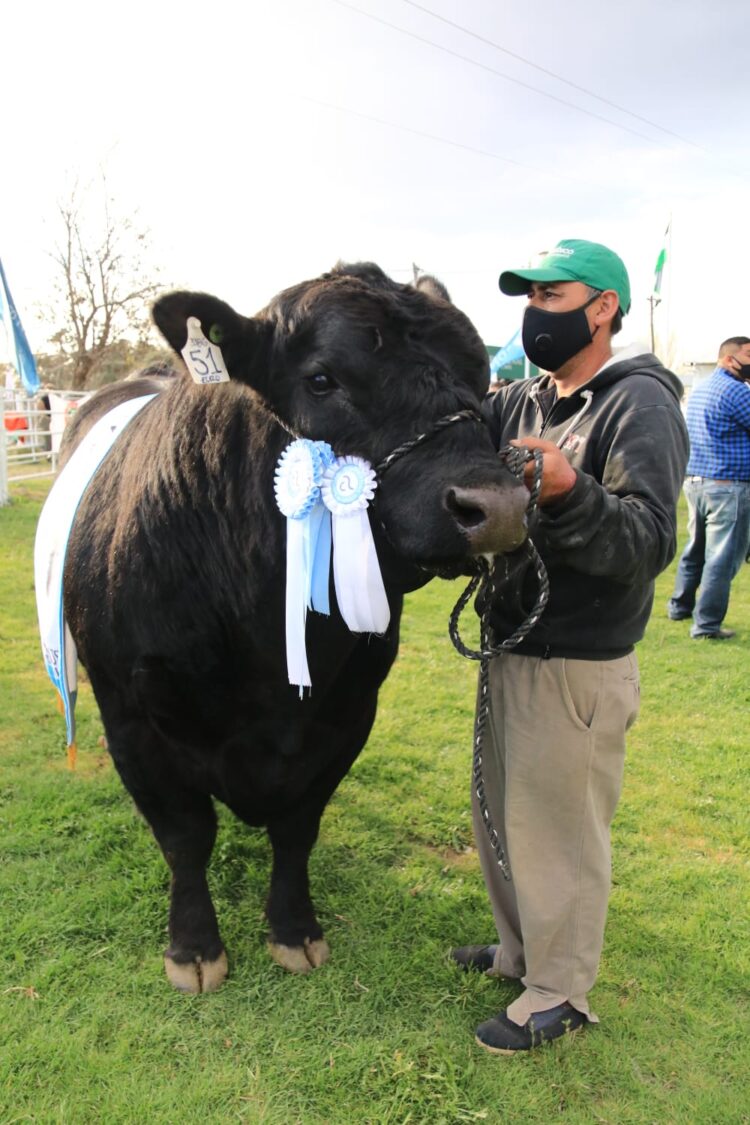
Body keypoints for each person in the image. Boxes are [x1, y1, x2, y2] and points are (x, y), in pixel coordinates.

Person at [452, 239, 689, 1055]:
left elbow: (650, 539)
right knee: (504, 819)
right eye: (531, 295)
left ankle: (561, 992)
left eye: (554, 295)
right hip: (510, 642)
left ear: (604, 308)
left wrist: (568, 490)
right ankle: (520, 952)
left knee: (561, 830)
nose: (535, 309)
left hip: (579, 660)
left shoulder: (640, 405)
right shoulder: (518, 399)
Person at [667, 337, 750, 638]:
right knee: (721, 558)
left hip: (697, 483)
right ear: (729, 359)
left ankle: (679, 606)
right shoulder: (737, 391)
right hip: (727, 487)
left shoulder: (702, 389)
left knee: (696, 550)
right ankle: (707, 625)